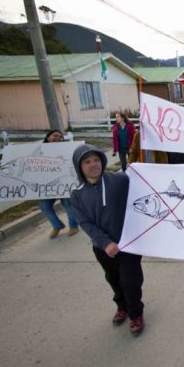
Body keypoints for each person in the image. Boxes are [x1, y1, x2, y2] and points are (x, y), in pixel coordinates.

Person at [70, 144, 145, 336]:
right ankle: (123, 307)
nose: (93, 164)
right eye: (87, 162)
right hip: (103, 248)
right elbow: (85, 223)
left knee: (130, 281)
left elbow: (149, 179)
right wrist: (105, 243)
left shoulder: (120, 180)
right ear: (79, 166)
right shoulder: (77, 193)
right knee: (113, 279)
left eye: (96, 160)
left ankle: (136, 313)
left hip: (128, 243)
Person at [38, 129, 79, 239]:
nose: (58, 138)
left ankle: (74, 226)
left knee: (68, 204)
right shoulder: (39, 151)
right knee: (44, 205)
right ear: (48, 137)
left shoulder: (68, 150)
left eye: (61, 137)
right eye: (55, 136)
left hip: (64, 182)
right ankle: (57, 225)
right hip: (47, 184)